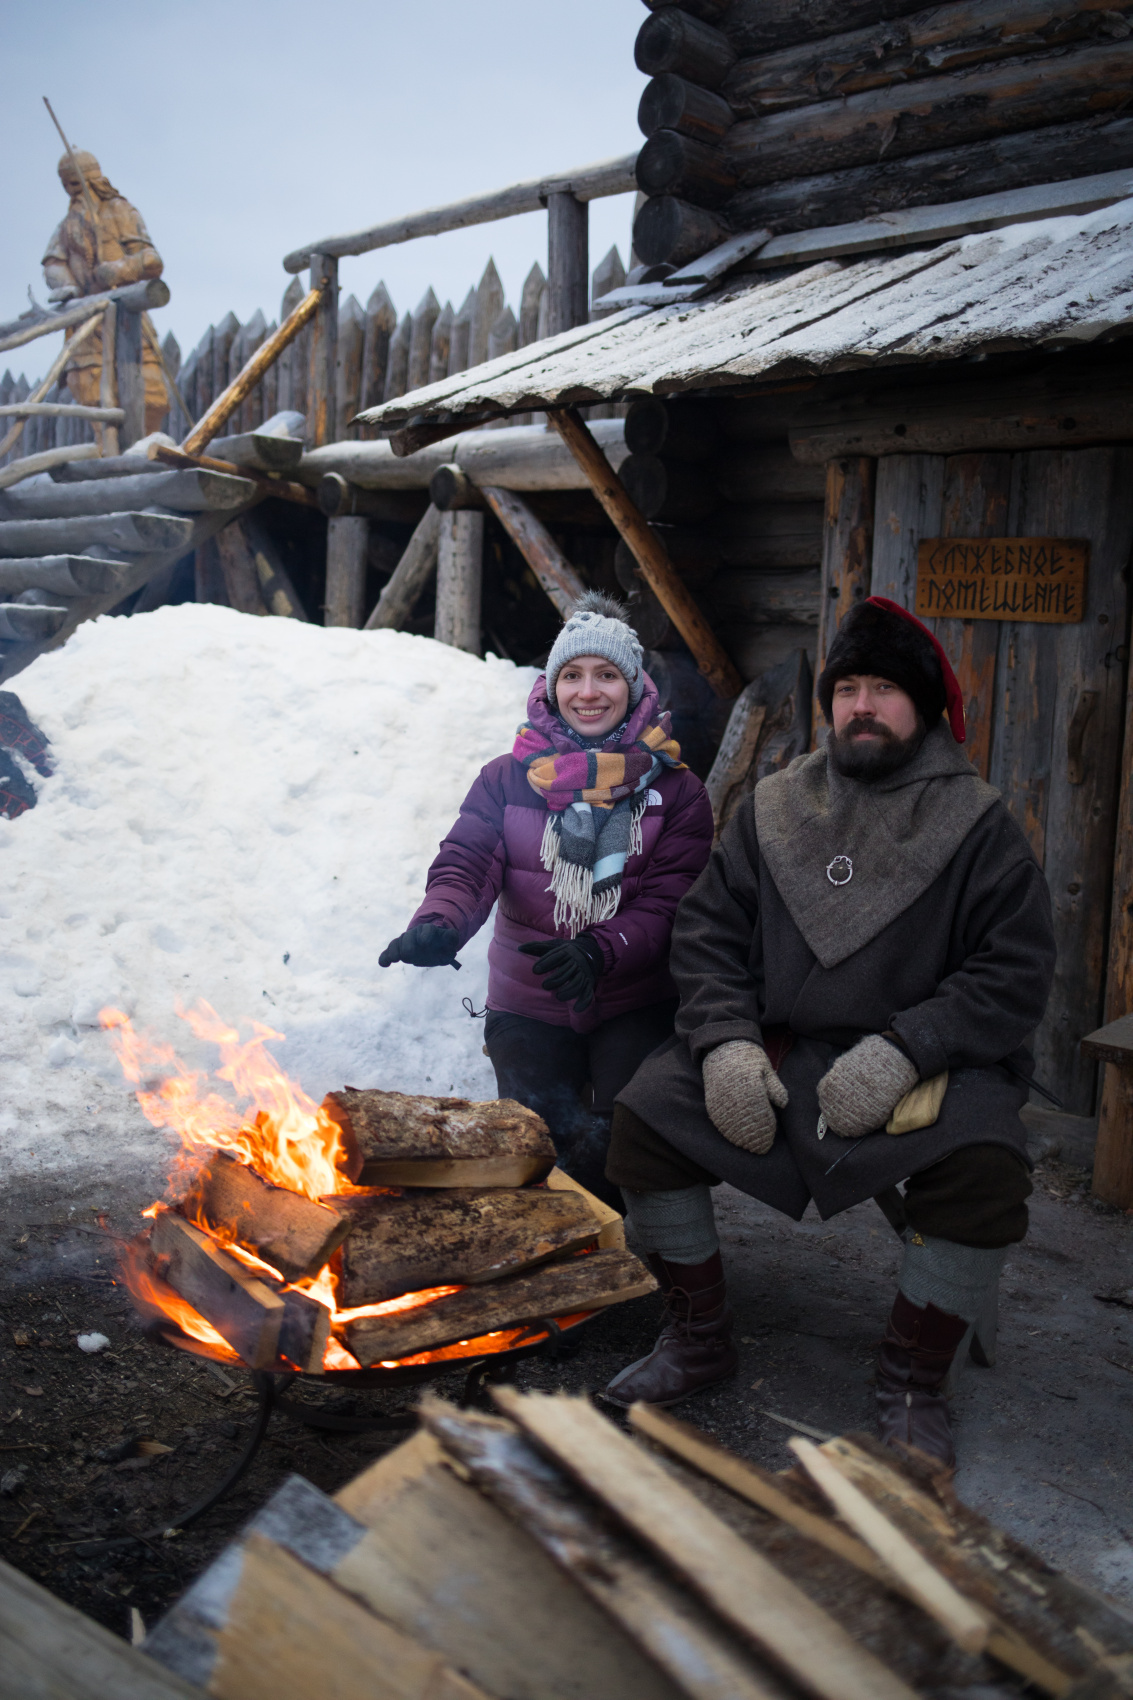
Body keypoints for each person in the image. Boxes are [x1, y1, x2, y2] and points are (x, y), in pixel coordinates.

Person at [602, 596, 1056, 1467]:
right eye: (846, 687)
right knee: (648, 1114)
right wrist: (727, 1041)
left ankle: (913, 1383)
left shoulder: (980, 827)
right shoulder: (774, 805)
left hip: (929, 1062)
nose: (860, 706)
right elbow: (706, 934)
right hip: (781, 1050)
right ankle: (697, 1337)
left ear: (920, 707)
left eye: (883, 688)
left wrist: (905, 1048)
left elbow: (1012, 975)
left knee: (982, 1168)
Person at [379, 592, 714, 1207]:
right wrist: (439, 924)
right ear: (551, 687)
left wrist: (597, 950)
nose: (589, 692)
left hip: (634, 997)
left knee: (628, 1145)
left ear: (634, 687)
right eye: (573, 675)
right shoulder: (505, 778)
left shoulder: (679, 791)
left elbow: (673, 903)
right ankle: (555, 1270)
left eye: (607, 675)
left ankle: (633, 1264)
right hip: (528, 999)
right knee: (535, 1144)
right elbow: (468, 863)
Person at [42, 150, 168, 436]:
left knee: (152, 393)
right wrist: (65, 285)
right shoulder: (66, 227)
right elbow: (53, 264)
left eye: (77, 183)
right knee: (93, 392)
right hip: (87, 321)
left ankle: (145, 449)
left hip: (127, 318)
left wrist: (121, 269)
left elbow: (152, 260)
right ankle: (107, 452)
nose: (73, 191)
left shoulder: (120, 211)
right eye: (67, 185)